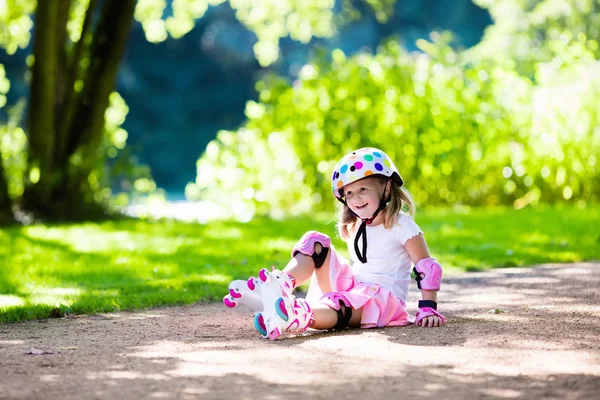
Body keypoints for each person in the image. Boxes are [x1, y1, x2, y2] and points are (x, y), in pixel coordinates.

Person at [223, 147, 445, 340]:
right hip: (355, 288)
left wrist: (428, 308)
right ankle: (280, 286)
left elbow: (428, 268)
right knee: (315, 243)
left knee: (342, 304)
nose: (356, 199)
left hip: (383, 302)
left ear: (386, 188)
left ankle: (297, 316)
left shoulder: (401, 224)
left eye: (363, 190)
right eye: (349, 193)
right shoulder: (357, 225)